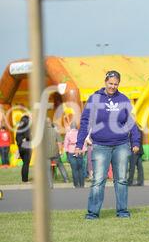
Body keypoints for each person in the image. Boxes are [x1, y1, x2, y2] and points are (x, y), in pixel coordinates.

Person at [75, 70, 140, 219]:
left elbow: (131, 122)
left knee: (122, 179)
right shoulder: (94, 98)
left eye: (116, 84)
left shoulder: (123, 99)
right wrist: (79, 144)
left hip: (122, 145)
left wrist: (135, 141)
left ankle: (122, 211)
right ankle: (92, 213)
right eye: (110, 83)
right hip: (100, 146)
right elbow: (85, 122)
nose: (113, 86)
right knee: (98, 180)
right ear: (105, 82)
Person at [45, 118, 69, 188]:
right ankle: (66, 179)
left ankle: (50, 185)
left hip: (46, 154)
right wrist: (60, 151)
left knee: (48, 169)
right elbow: (59, 142)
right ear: (51, 123)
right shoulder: (55, 131)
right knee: (60, 165)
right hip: (55, 153)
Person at [64, 122, 86, 188]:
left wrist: (66, 151)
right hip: (79, 150)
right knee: (80, 168)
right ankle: (82, 184)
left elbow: (66, 144)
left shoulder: (68, 133)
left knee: (74, 169)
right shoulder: (80, 133)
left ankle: (76, 184)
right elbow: (83, 142)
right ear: (76, 127)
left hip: (71, 151)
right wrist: (84, 150)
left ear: (71, 127)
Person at [15, 115, 32, 182]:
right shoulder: (26, 127)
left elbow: (16, 138)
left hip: (20, 147)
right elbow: (28, 136)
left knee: (24, 163)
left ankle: (24, 179)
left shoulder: (19, 128)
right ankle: (25, 180)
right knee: (26, 164)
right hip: (26, 146)